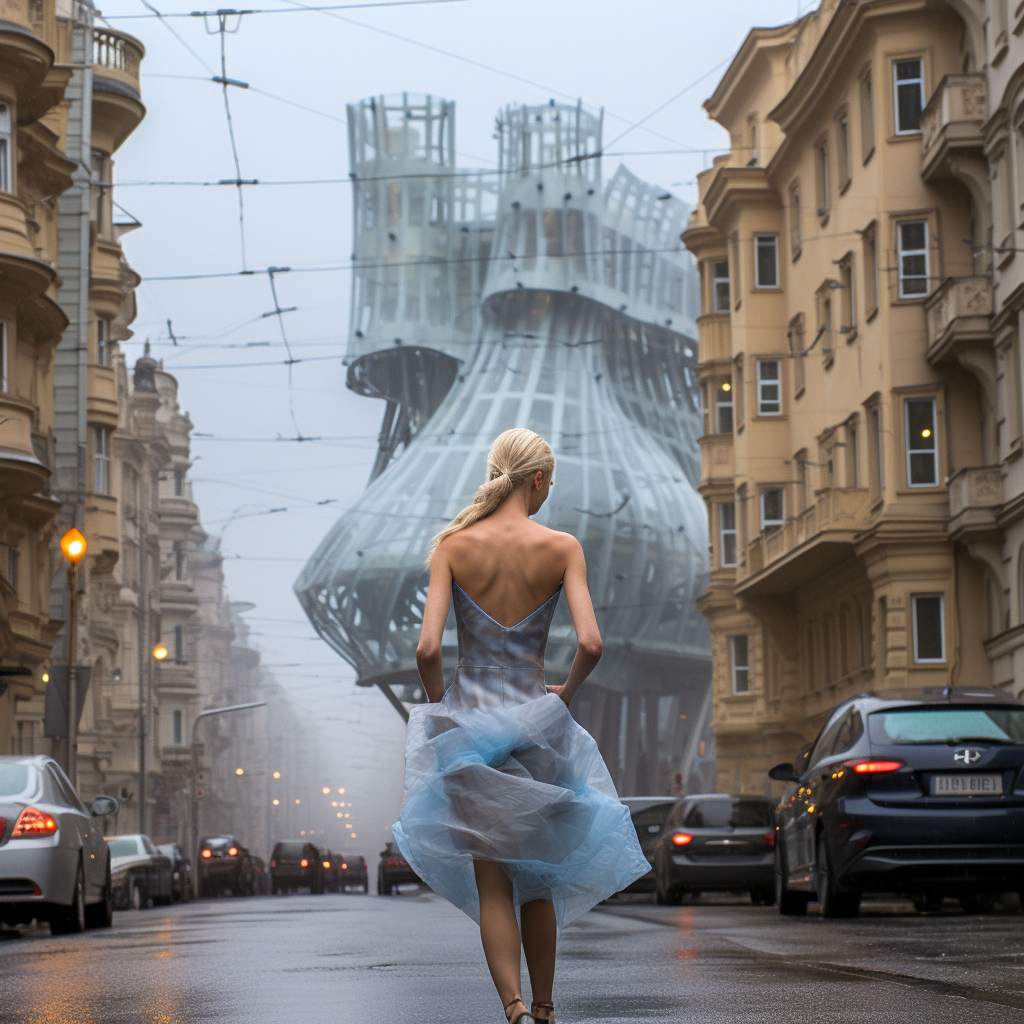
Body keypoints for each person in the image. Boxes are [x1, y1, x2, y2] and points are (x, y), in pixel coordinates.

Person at [392, 428, 649, 1024]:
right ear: (537, 479)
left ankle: (511, 1009)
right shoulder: (561, 547)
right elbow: (591, 642)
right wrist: (563, 693)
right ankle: (545, 1007)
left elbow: (428, 650)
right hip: (539, 731)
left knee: (492, 883)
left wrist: (446, 715)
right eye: (549, 485)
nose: (546, 495)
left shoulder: (453, 547)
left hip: (471, 732)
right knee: (540, 879)